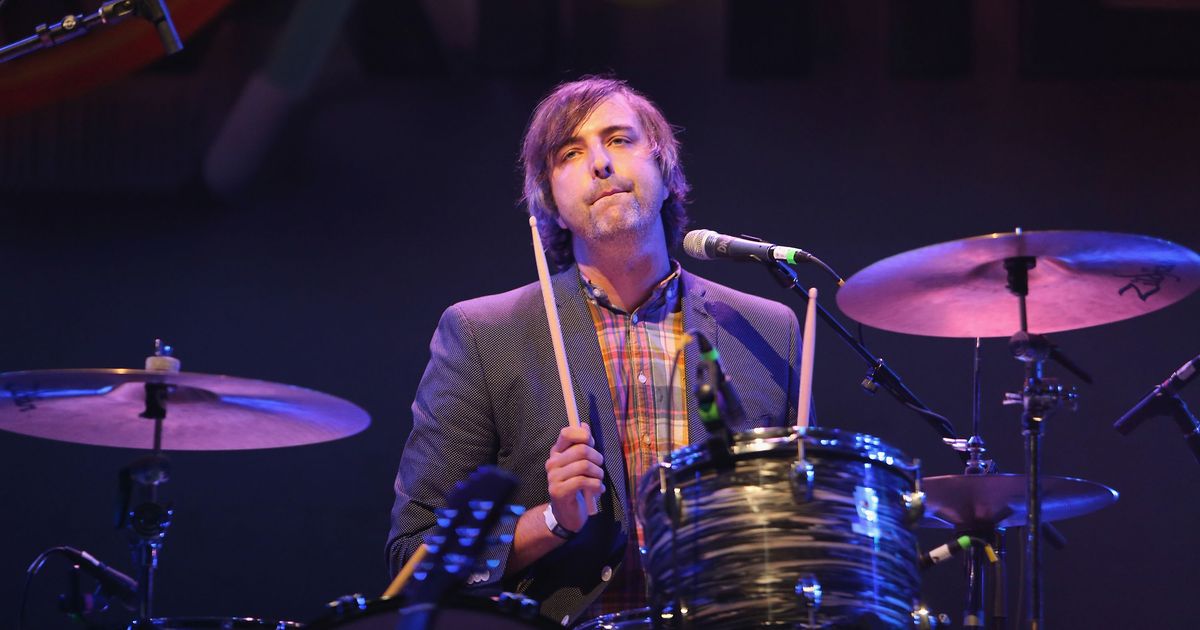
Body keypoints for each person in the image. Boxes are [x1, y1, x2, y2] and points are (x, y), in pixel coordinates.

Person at [387, 76, 800, 626]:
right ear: (551, 205)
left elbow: (804, 531)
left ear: (665, 170)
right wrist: (552, 522)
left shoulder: (766, 329)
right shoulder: (484, 334)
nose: (600, 163)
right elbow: (412, 556)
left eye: (619, 140)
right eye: (571, 153)